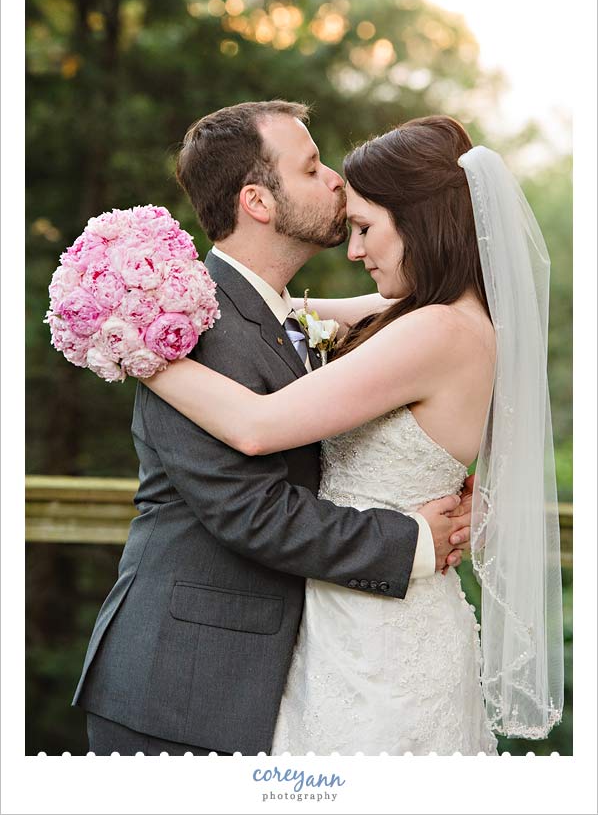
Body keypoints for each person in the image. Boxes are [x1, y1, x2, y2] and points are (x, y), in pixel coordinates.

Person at [141, 113, 563, 753]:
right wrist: (176, 294)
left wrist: (139, 350)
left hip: (384, 639)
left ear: (420, 224)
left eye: (366, 229)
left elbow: (257, 427)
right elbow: (286, 313)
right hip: (350, 620)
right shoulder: (443, 316)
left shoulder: (435, 333)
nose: (356, 249)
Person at [72, 101, 473, 756]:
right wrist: (411, 543)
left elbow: (428, 329)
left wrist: (457, 468)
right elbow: (250, 510)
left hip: (280, 680)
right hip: (180, 687)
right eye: (313, 168)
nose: (336, 181)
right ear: (258, 201)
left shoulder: (285, 315)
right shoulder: (181, 330)